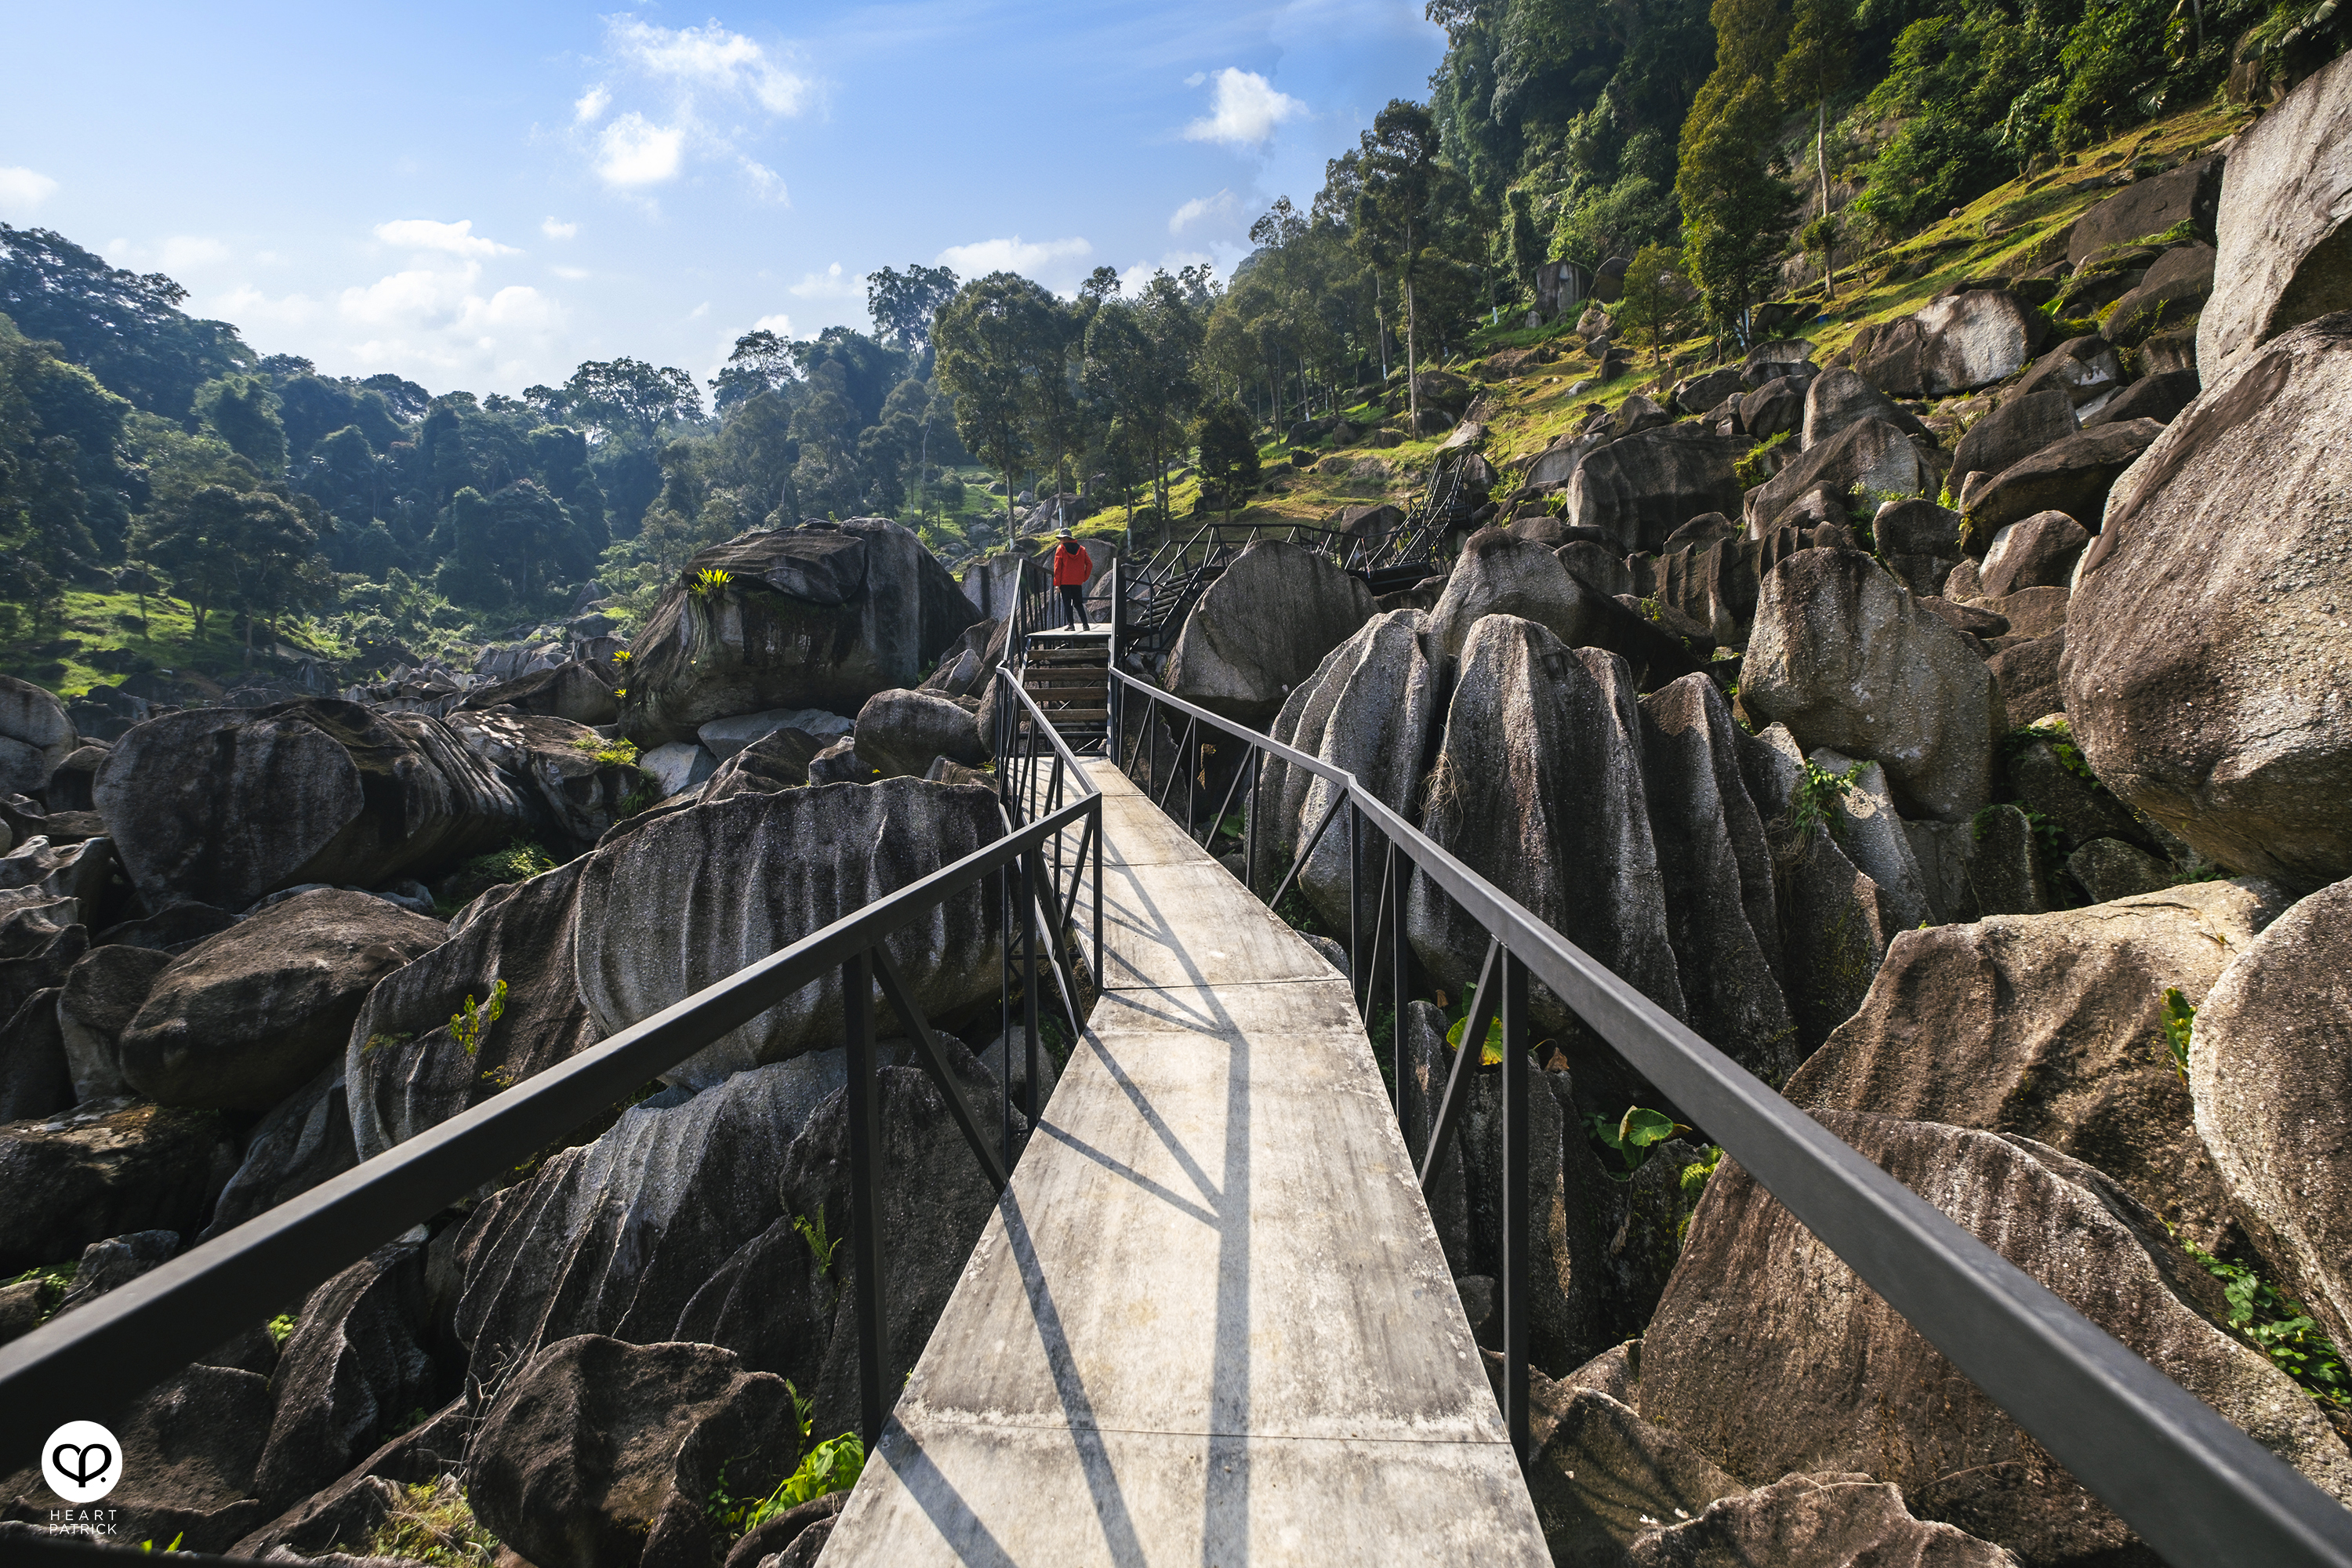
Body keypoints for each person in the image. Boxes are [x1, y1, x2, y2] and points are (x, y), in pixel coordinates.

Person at [1051, 528, 1093, 629]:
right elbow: (1089, 564)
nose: (1060, 541)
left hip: (1065, 582)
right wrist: (1084, 577)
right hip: (1077, 582)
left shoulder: (1061, 549)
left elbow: (1057, 568)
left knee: (1067, 603)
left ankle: (1071, 625)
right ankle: (1085, 624)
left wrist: (1057, 584)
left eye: (1061, 539)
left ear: (1064, 538)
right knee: (1078, 603)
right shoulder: (1082, 549)